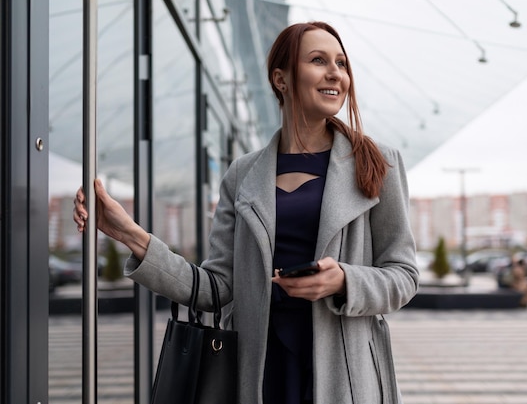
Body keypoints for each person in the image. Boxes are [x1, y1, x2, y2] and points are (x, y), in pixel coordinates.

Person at [73, 21, 419, 404]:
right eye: (319, 60)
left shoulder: (377, 162)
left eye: (341, 62)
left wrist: (343, 281)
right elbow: (216, 288)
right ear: (281, 79)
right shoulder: (243, 174)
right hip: (260, 374)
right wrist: (129, 234)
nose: (336, 72)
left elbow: (403, 276)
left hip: (347, 380)